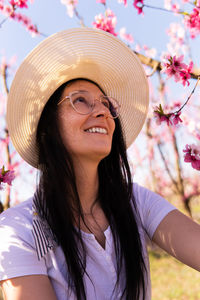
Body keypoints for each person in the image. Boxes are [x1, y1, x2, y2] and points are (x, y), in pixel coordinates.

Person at [0, 27, 200, 300]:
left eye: (107, 104)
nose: (103, 111)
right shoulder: (16, 229)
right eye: (80, 100)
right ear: (48, 127)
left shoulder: (136, 202)